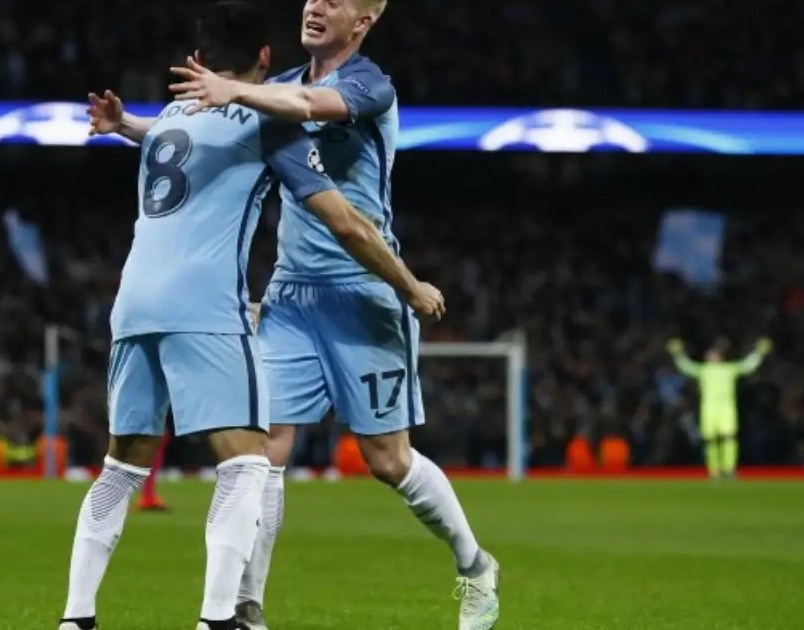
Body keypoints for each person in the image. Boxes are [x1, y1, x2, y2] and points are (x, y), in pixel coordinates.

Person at [62, 3, 440, 630]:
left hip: (132, 305)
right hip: (204, 306)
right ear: (266, 60)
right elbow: (346, 222)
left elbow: (168, 138)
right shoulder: (265, 121)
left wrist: (122, 122)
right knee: (245, 465)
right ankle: (219, 619)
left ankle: (76, 617)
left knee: (121, 468)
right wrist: (408, 284)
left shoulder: (175, 116)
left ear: (199, 61)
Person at [167, 1, 500, 629]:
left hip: (365, 291)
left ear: (362, 23)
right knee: (263, 452)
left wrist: (408, 287)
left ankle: (475, 565)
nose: (316, 6)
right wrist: (128, 125)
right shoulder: (277, 85)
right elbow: (220, 132)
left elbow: (309, 107)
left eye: (335, 1)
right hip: (292, 295)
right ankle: (247, 610)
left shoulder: (370, 86)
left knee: (388, 461)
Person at [667, 337, 773, 479]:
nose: (709, 356)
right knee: (711, 440)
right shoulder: (703, 370)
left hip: (726, 409)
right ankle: (714, 470)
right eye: (708, 354)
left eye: (712, 354)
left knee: (729, 438)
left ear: (720, 357)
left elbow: (748, 366)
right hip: (709, 409)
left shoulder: (728, 369)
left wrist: (758, 353)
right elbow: (686, 367)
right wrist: (678, 353)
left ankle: (729, 469)